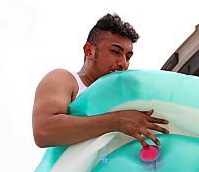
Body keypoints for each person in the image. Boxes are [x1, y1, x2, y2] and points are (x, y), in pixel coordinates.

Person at [32, 13, 169, 148]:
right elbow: (44, 130)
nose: (124, 63)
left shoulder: (127, 95)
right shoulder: (65, 80)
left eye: (128, 56)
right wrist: (117, 121)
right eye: (115, 52)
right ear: (89, 51)